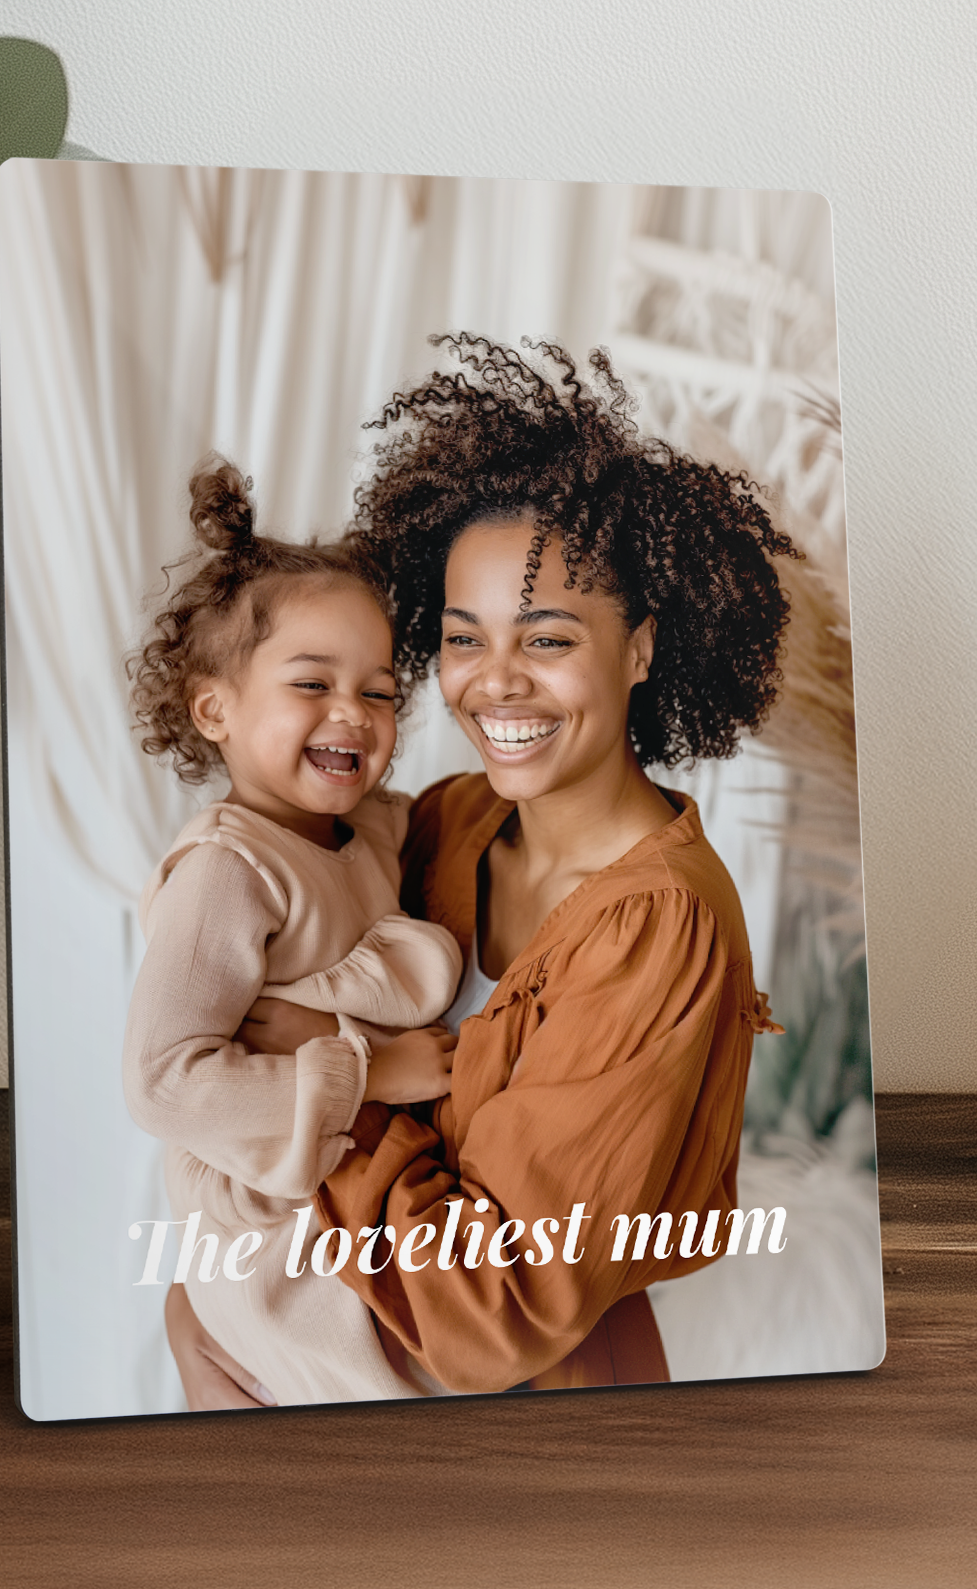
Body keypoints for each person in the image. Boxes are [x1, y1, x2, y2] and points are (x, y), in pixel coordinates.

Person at [224, 335, 795, 1396]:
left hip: (545, 1421)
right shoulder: (449, 821)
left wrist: (334, 1076)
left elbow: (498, 1308)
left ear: (639, 647)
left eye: (547, 640)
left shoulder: (657, 928)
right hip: (335, 1353)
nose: (493, 684)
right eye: (461, 638)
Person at [121, 459, 462, 1407]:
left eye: (380, 692)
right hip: (267, 1227)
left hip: (342, 1193)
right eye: (312, 682)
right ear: (215, 710)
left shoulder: (373, 830)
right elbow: (160, 1083)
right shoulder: (229, 870)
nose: (352, 712)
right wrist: (371, 1072)